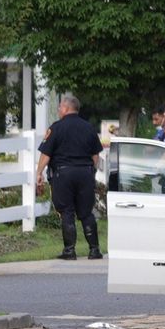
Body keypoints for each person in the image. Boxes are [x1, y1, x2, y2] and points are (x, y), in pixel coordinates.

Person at [36, 94, 104, 260]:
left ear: (65, 108)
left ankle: (69, 251)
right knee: (87, 212)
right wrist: (91, 172)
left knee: (67, 211)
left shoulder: (56, 127)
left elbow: (46, 154)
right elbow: (96, 156)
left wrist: (38, 173)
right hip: (85, 173)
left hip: (63, 174)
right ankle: (94, 250)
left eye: (60, 107)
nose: (59, 109)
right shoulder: (88, 127)